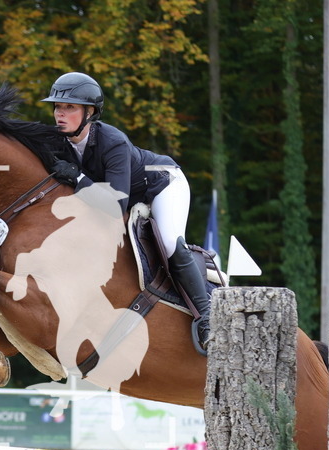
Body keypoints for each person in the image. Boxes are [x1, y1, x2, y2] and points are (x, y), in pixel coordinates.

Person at [42, 71, 212, 355]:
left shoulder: (113, 141)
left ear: (90, 112)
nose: (60, 113)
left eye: (69, 107)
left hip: (162, 183)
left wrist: (78, 178)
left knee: (170, 242)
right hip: (125, 194)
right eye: (57, 107)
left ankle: (207, 318)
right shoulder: (59, 142)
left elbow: (115, 207)